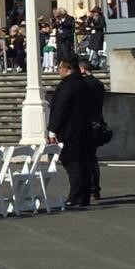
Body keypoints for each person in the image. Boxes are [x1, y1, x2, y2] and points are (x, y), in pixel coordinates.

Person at [47, 54, 96, 207]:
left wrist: (52, 130)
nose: (58, 70)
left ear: (67, 68)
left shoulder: (67, 86)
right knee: (84, 163)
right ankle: (84, 196)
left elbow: (61, 109)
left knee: (73, 164)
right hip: (84, 128)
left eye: (59, 67)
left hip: (70, 130)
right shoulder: (85, 84)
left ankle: (76, 196)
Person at [77, 57, 107, 201]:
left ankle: (90, 187)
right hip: (97, 122)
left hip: (86, 123)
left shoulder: (84, 84)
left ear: (82, 69)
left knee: (86, 158)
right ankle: (95, 188)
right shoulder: (99, 84)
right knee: (92, 157)